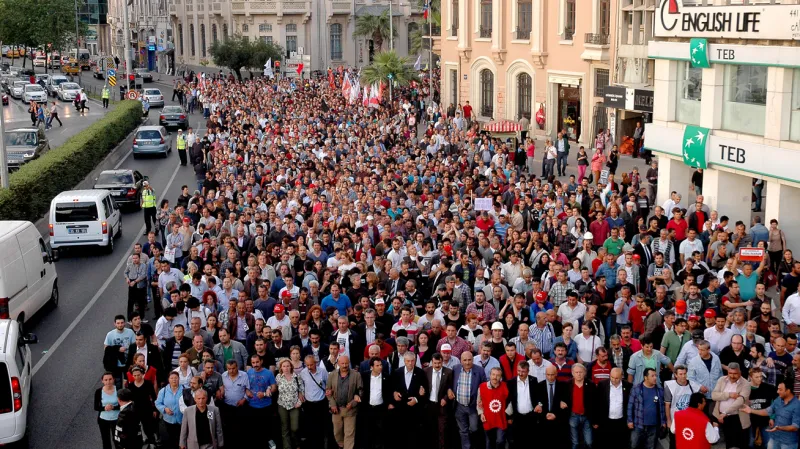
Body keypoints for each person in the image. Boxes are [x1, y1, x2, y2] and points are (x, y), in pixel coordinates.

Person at [741, 380, 800, 449]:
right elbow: (768, 411)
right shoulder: (778, 399)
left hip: (788, 443)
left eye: (780, 390)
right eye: (778, 389)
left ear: (788, 391)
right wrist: (751, 410)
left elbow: (795, 427)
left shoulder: (797, 405)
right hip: (774, 439)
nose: (777, 391)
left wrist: (779, 428)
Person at [710, 362, 750, 449]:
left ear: (740, 372)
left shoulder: (746, 384)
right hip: (723, 417)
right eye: (730, 373)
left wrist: (725, 412)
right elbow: (713, 395)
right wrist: (729, 395)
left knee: (741, 444)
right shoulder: (722, 380)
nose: (732, 376)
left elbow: (740, 401)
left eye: (735, 373)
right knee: (729, 443)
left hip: (737, 418)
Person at [453, 351, 487, 449]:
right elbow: (450, 383)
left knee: (474, 428)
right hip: (459, 406)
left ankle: (474, 445)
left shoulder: (480, 370)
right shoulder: (455, 368)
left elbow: (484, 387)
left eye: (469, 360)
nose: (467, 362)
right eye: (465, 360)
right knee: (463, 430)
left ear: (473, 360)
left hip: (473, 406)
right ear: (461, 360)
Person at [326, 355, 362, 449]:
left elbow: (361, 391)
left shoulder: (356, 375)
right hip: (336, 409)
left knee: (349, 433)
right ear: (338, 363)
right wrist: (332, 404)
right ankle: (341, 445)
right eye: (342, 363)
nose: (345, 365)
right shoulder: (332, 375)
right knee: (337, 432)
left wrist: (353, 403)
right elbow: (328, 391)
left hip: (350, 409)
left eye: (346, 363)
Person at [627, 368, 666, 449]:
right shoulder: (636, 389)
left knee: (650, 447)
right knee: (634, 445)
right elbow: (630, 406)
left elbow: (662, 408)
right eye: (652, 376)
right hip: (638, 425)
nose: (655, 378)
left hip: (653, 426)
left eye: (656, 375)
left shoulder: (659, 390)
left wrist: (663, 422)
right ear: (645, 377)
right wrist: (630, 420)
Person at [593, 367, 631, 449]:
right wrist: (595, 421)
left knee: (621, 443)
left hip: (621, 421)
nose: (613, 380)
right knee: (606, 443)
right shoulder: (602, 384)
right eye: (612, 377)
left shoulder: (628, 386)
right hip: (606, 421)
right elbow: (597, 403)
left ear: (621, 377)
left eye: (616, 378)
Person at [361, 356, 391, 449]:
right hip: (368, 408)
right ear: (371, 367)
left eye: (381, 365)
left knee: (381, 432)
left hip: (381, 409)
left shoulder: (387, 377)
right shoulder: (364, 376)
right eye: (377, 365)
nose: (380, 367)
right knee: (368, 432)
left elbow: (390, 392)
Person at [477, 366, 509, 449]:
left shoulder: (505, 386)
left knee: (500, 440)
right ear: (490, 375)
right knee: (489, 442)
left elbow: (510, 401)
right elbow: (478, 402)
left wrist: (508, 414)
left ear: (501, 377)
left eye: (498, 375)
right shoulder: (482, 387)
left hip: (501, 418)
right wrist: (481, 413)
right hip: (488, 419)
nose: (495, 377)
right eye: (493, 374)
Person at [276, 358, 304, 449]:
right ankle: (287, 447)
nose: (286, 368)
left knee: (295, 428)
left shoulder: (296, 376)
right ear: (281, 367)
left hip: (295, 405)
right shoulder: (278, 377)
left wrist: (299, 402)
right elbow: (273, 386)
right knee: (285, 428)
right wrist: (268, 389)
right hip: (282, 405)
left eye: (288, 366)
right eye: (284, 366)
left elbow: (302, 390)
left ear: (291, 367)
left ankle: (297, 443)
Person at [155, 371, 184, 448]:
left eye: (176, 378)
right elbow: (157, 403)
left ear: (179, 379)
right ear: (168, 379)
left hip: (182, 420)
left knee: (181, 441)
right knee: (170, 442)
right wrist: (164, 409)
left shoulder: (184, 389)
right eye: (172, 378)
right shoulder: (163, 391)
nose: (174, 380)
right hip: (168, 421)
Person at [95, 372, 119, 449]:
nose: (108, 382)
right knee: (106, 441)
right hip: (103, 420)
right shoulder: (98, 391)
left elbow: (123, 405)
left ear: (113, 379)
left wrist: (113, 407)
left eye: (110, 379)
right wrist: (104, 408)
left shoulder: (118, 390)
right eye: (106, 380)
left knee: (117, 440)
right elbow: (96, 407)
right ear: (102, 381)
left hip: (116, 419)